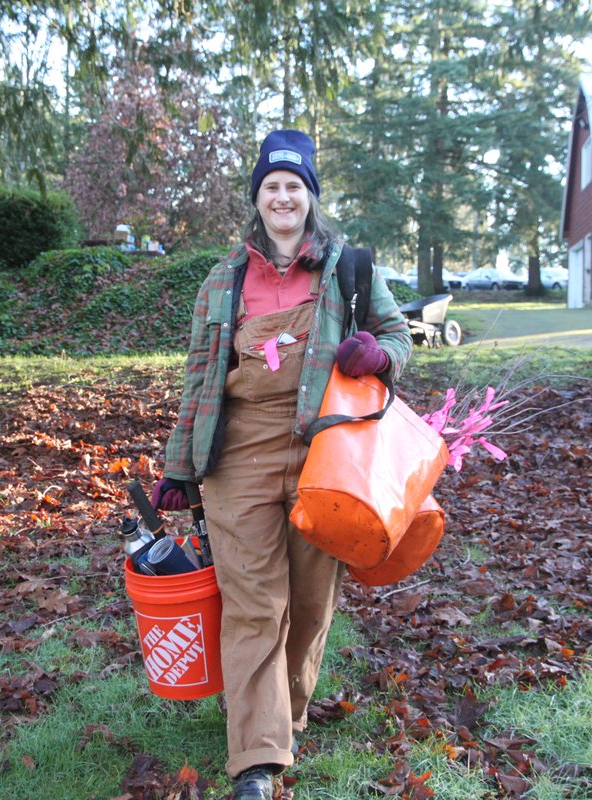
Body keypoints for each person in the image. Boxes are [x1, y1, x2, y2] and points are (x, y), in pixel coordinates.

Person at [150, 130, 412, 800]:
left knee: (309, 600)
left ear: (311, 197)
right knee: (253, 603)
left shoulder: (348, 270)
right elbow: (199, 377)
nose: (283, 196)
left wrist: (377, 358)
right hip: (238, 453)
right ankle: (257, 760)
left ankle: (282, 718)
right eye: (271, 186)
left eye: (294, 185)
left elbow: (397, 336)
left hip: (327, 452)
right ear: (258, 199)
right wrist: (181, 466)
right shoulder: (223, 279)